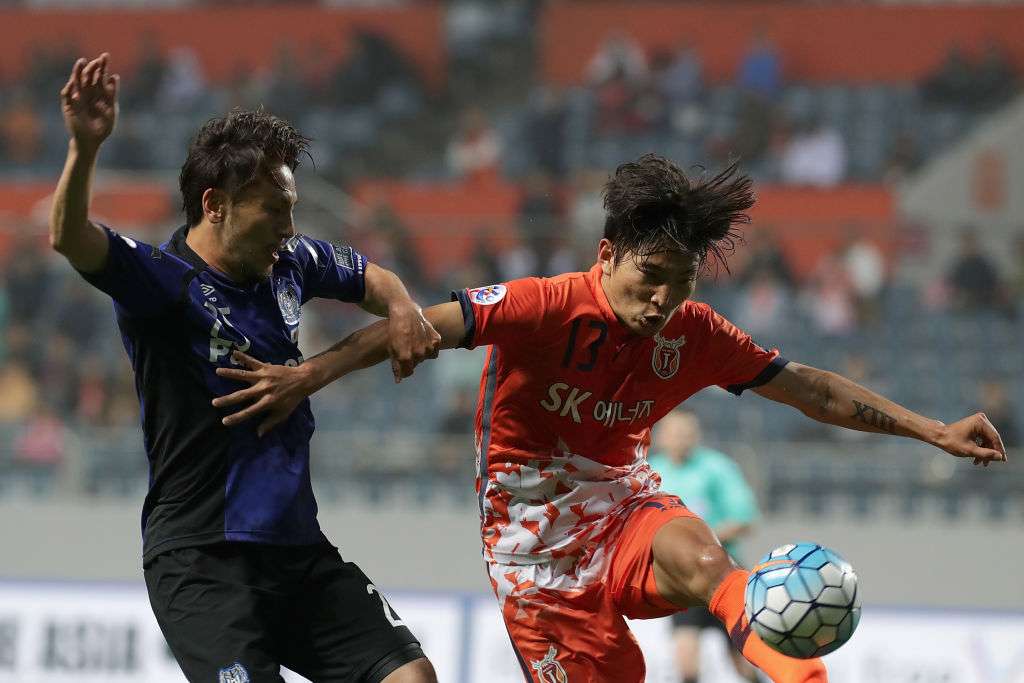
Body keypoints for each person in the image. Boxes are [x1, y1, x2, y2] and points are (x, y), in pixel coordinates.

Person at [215, 154, 1006, 683]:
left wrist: (931, 429)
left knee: (704, 554)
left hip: (620, 500)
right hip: (531, 549)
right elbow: (417, 323)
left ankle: (794, 666)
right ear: (608, 254)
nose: (663, 300)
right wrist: (304, 376)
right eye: (651, 277)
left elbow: (810, 389)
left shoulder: (693, 333)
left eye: (681, 281)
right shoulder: (544, 305)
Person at [49, 53, 441, 683]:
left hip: (296, 550)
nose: (290, 229)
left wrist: (400, 305)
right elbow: (71, 238)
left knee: (411, 677)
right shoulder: (162, 283)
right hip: (202, 559)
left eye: (291, 209)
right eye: (274, 211)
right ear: (216, 205)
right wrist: (84, 148)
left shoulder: (290, 262)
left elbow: (373, 277)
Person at [649, 411, 759, 683]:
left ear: (696, 435)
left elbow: (744, 519)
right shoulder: (651, 472)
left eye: (687, 432)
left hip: (723, 573)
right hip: (682, 579)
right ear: (661, 437)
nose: (681, 438)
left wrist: (698, 543)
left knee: (743, 663)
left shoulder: (717, 468)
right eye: (675, 432)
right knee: (686, 664)